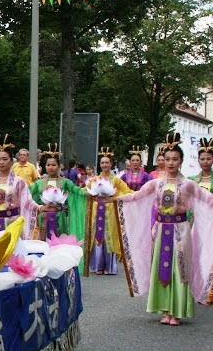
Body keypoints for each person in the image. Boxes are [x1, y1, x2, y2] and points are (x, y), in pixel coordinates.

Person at [117, 133, 213, 325]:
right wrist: (114, 198)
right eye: (167, 159)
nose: (170, 163)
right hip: (160, 230)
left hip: (181, 230)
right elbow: (136, 196)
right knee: (161, 267)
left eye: (175, 159)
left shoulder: (189, 184)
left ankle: (176, 311)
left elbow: (208, 199)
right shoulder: (156, 183)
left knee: (179, 268)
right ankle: (164, 310)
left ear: (181, 161)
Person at [84, 148, 132, 276]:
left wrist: (114, 199)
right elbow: (84, 191)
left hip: (110, 212)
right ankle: (98, 265)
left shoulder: (116, 180)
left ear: (111, 164)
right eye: (102, 163)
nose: (104, 165)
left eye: (107, 162)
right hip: (97, 211)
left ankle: (109, 266)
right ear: (100, 165)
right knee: (97, 236)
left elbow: (127, 192)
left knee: (109, 236)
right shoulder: (94, 180)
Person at [0, 135, 38, 242]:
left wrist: (40, 207)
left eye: (5, 159)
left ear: (11, 161)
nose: (1, 162)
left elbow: (27, 202)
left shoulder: (19, 182)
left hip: (11, 224)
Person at [29, 146, 86, 243]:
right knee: (44, 245)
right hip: (43, 218)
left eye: (54, 165)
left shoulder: (65, 182)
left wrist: (92, 193)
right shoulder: (38, 183)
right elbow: (25, 193)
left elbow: (78, 191)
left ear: (59, 166)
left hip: (60, 217)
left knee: (60, 245)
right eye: (48, 165)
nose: (50, 167)